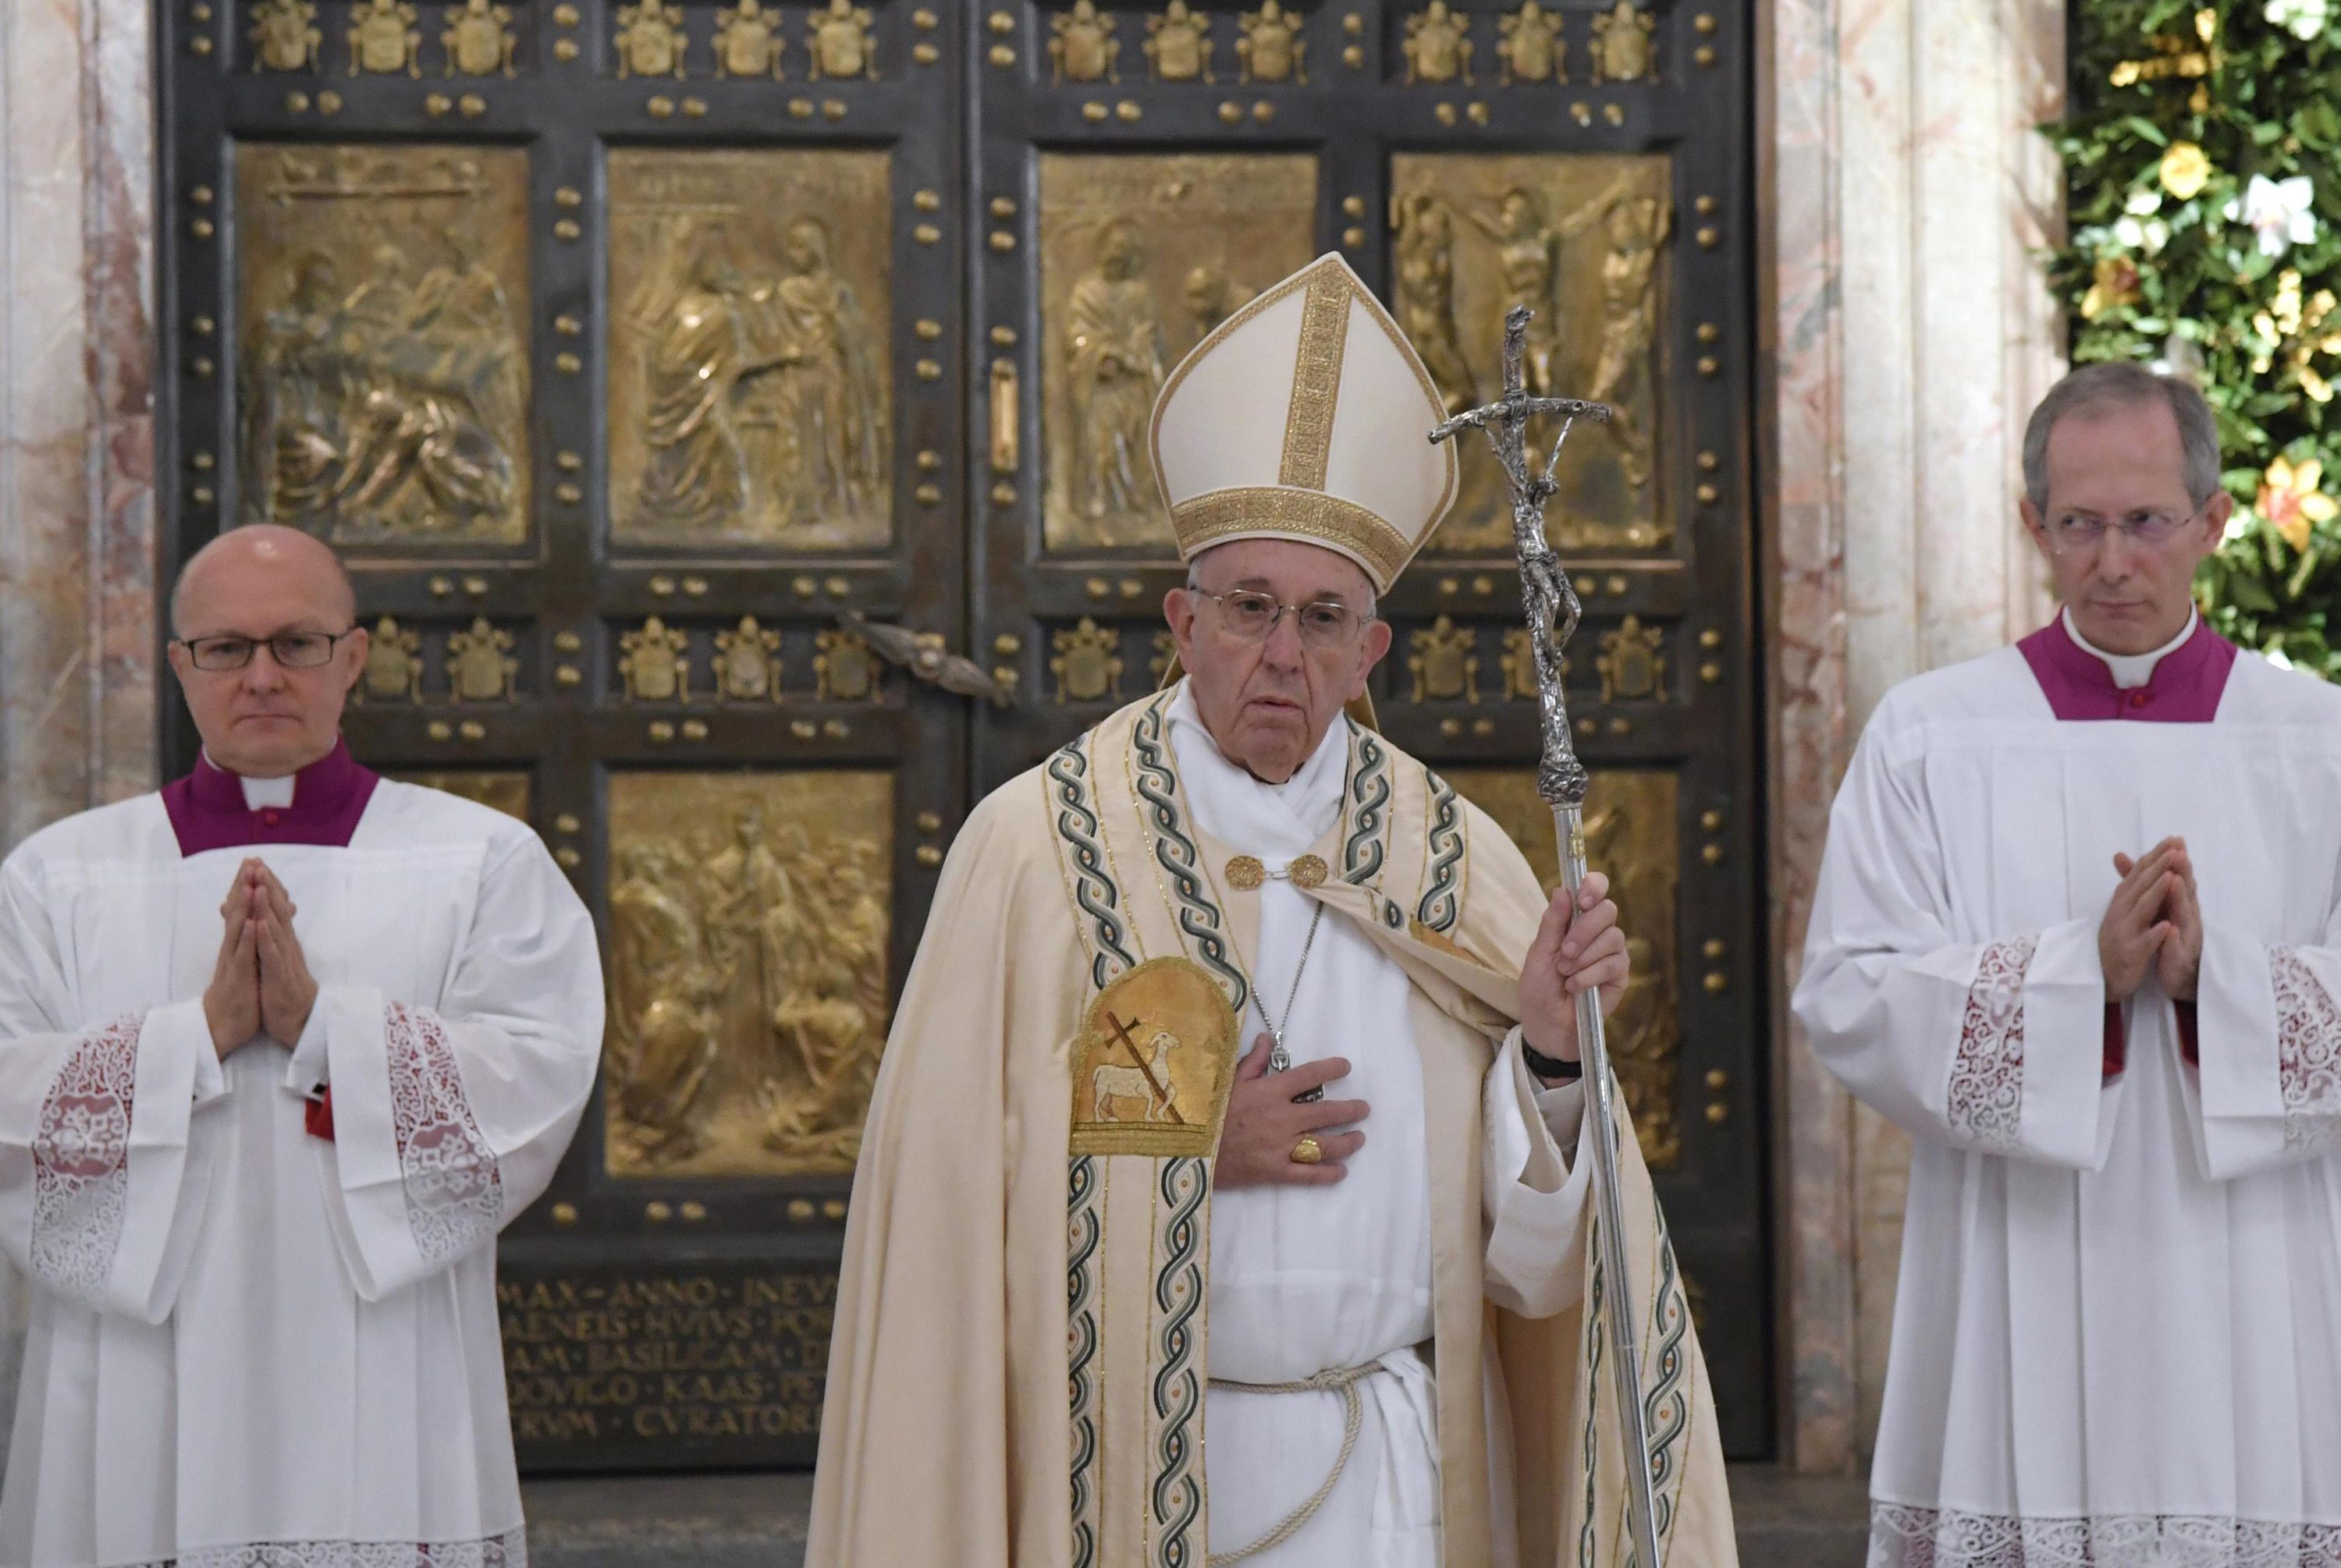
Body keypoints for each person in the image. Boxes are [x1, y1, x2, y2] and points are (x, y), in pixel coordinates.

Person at [809, 254, 1735, 1567]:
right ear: (1182, 623)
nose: (1281, 655)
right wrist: (1181, 1148)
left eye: (1322, 617)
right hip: (1137, 1476)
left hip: (1398, 1487)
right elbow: (945, 1213)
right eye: (1248, 608)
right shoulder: (1038, 849)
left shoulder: (1454, 863)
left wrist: (1542, 1055)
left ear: (1373, 653)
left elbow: (1537, 1280)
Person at [1794, 362, 2341, 1564]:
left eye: (2147, 523)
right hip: (2017, 1261)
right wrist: (2073, 976)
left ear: (2212, 520)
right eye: (2080, 524)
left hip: (2246, 1273)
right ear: (2033, 524)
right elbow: (1845, 988)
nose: (2112, 560)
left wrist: (2218, 983)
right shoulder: (1934, 736)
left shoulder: (2316, 743)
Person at [0, 524, 602, 1565]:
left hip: (384, 1357)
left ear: (354, 657)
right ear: (180, 664)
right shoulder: (61, 876)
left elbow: (536, 1082)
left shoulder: (480, 860)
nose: (264, 675)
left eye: (298, 643)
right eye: (228, 648)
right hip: (140, 1369)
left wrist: (324, 1032)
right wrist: (200, 1038)